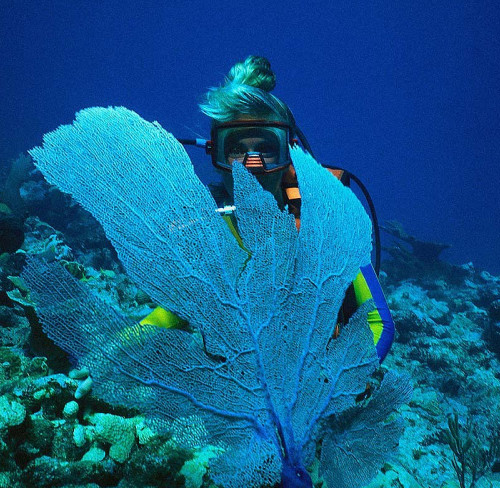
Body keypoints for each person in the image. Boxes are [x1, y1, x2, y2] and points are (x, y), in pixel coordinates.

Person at [140, 55, 394, 366]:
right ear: (214, 154)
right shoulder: (211, 232)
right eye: (235, 149)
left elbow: (380, 323)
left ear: (289, 153)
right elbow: (173, 312)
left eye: (268, 149)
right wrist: (116, 353)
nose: (252, 166)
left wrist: (350, 379)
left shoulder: (327, 219)